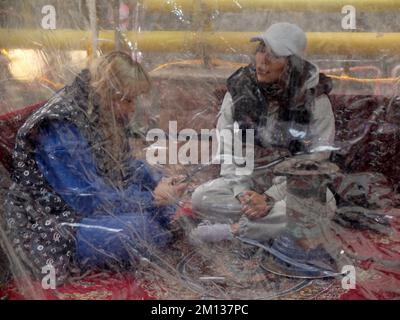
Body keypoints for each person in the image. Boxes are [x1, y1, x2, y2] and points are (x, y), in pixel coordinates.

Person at [4, 51, 187, 284]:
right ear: (107, 93)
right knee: (139, 230)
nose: (133, 108)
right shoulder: (62, 125)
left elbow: (121, 165)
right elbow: (87, 199)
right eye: (128, 100)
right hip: (54, 225)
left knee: (162, 214)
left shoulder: (102, 113)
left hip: (90, 211)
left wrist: (158, 179)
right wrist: (151, 198)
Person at [191, 23, 336, 244]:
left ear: (293, 65)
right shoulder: (239, 90)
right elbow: (228, 148)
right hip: (248, 182)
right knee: (201, 198)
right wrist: (243, 194)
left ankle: (236, 230)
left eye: (274, 56)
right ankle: (266, 225)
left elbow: (314, 163)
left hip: (287, 188)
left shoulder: (316, 100)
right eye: (261, 51)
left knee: (323, 203)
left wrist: (269, 198)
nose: (263, 61)